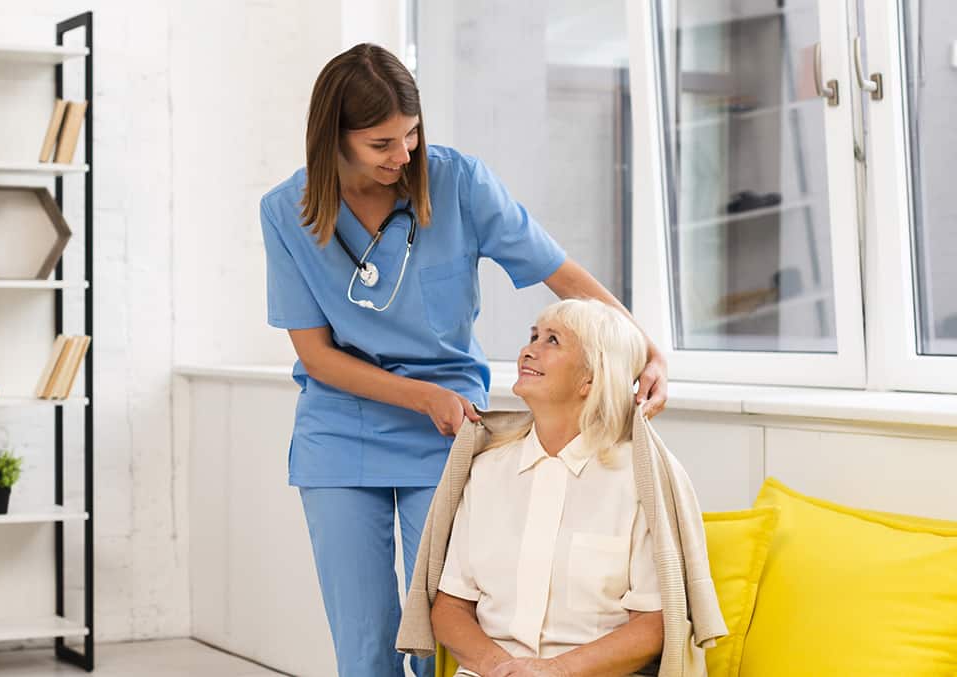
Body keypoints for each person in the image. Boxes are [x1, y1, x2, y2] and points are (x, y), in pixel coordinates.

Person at [260, 43, 669, 677]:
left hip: (447, 434)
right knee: (364, 645)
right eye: (381, 144)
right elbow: (317, 356)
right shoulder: (285, 211)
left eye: (412, 135)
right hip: (343, 430)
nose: (404, 156)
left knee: (439, 632)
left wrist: (641, 346)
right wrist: (419, 395)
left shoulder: (459, 182)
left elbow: (560, 274)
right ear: (332, 139)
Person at [430, 299, 666, 677]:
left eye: (552, 340)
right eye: (533, 336)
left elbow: (652, 625)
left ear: (591, 378)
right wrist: (502, 668)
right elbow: (449, 607)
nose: (529, 350)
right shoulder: (487, 470)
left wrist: (555, 670)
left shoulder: (636, 479)